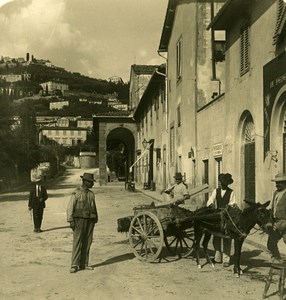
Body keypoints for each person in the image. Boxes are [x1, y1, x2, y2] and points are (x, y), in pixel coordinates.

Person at [67, 172, 98, 273]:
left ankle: (84, 264)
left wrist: (95, 218)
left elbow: (94, 207)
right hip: (79, 221)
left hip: (90, 221)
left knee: (87, 242)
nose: (92, 184)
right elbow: (70, 208)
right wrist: (71, 220)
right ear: (84, 182)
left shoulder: (91, 194)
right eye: (90, 182)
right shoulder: (76, 193)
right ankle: (74, 264)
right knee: (77, 242)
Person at [206, 173, 236, 267]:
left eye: (224, 183)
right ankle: (217, 257)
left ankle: (226, 260)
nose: (222, 185)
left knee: (227, 237)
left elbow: (233, 203)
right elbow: (211, 199)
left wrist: (228, 207)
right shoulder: (216, 191)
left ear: (227, 184)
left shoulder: (231, 192)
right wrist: (210, 204)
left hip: (227, 216)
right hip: (217, 216)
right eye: (221, 183)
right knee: (216, 237)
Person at [267, 173, 286, 263]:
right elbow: (273, 207)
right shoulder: (276, 193)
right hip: (276, 222)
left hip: (284, 221)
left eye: (280, 183)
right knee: (271, 243)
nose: (277, 185)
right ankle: (278, 260)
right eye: (276, 183)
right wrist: (270, 220)